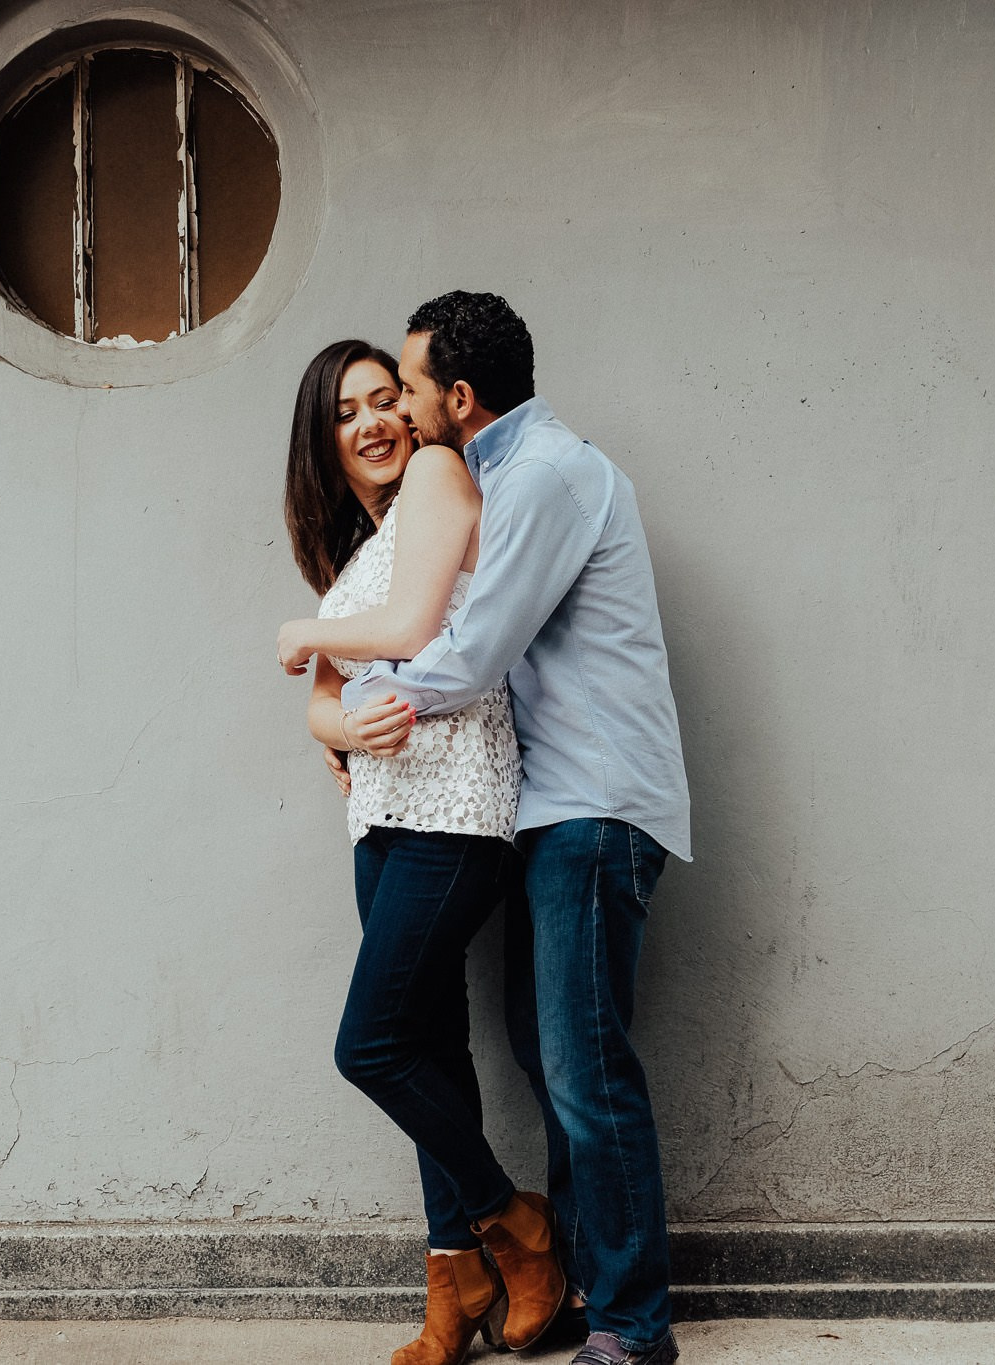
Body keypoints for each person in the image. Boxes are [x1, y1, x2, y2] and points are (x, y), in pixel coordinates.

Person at [339, 293, 692, 1365]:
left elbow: (472, 653)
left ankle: (632, 1329)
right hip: (549, 809)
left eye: (406, 385)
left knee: (585, 1073)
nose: (395, 405)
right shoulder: (492, 477)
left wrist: (359, 698)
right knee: (551, 1063)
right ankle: (590, 1290)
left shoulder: (540, 475)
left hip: (591, 807)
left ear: (457, 395)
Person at [277, 339, 569, 1365]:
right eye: (346, 411)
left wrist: (300, 629)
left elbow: (402, 627)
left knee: (371, 1045)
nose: (372, 420)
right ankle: (451, 1296)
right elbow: (319, 706)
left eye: (383, 397)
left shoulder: (442, 476)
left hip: (455, 807)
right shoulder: (358, 547)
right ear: (325, 442)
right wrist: (341, 731)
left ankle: (514, 1226)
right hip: (383, 818)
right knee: (430, 1053)